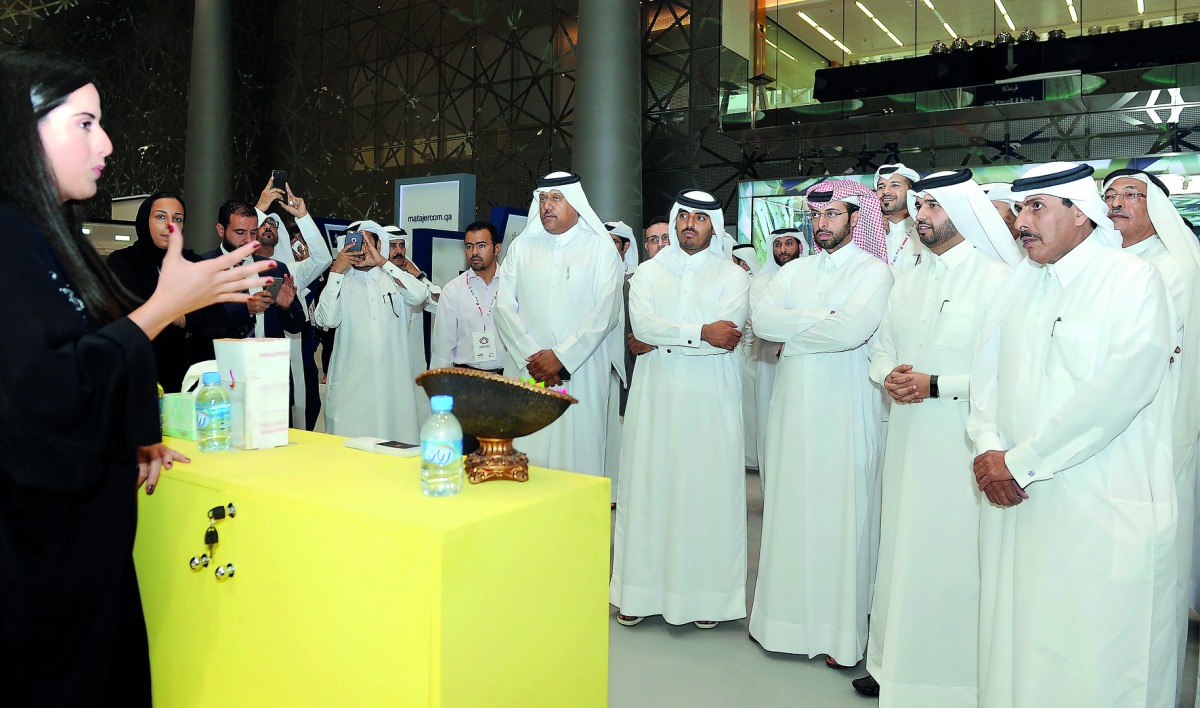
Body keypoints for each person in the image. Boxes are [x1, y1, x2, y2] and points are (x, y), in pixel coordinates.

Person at [0, 50, 272, 705]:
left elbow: (84, 350)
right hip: (39, 572)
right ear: (22, 130)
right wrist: (162, 308)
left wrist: (133, 437)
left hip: (86, 562)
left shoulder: (46, 234)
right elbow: (37, 399)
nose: (108, 143)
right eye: (86, 123)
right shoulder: (7, 238)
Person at [968, 161, 1177, 707]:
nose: (1021, 222)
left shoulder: (1132, 280)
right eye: (1019, 209)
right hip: (1015, 496)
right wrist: (987, 444)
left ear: (1081, 215)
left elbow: (1119, 391)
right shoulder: (1019, 285)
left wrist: (1022, 461)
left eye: (1036, 207)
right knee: (1020, 634)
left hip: (1094, 498)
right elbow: (985, 376)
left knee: (1088, 645)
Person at [854, 169, 1021, 701]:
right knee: (901, 548)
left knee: (951, 556)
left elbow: (1011, 377)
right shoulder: (908, 278)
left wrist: (935, 385)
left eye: (933, 206)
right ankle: (891, 664)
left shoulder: (998, 279)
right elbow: (881, 349)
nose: (921, 215)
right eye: (920, 205)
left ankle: (951, 678)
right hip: (907, 439)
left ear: (964, 212)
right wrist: (891, 378)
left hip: (963, 445)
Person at [748, 179, 893, 669]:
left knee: (842, 513)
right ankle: (781, 624)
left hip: (847, 408)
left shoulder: (875, 271)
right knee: (790, 508)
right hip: (792, 409)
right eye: (817, 215)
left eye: (833, 214)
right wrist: (821, 319)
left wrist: (797, 331)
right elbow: (763, 322)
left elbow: (853, 331)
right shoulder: (795, 271)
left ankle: (840, 632)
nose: (823, 223)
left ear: (856, 217)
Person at [609, 190, 750, 629]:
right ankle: (637, 592)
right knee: (649, 489)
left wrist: (674, 337)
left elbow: (726, 337)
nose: (690, 223)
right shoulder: (648, 273)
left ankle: (705, 598)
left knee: (704, 494)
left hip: (711, 400)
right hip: (656, 398)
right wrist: (700, 332)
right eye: (684, 216)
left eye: (700, 218)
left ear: (715, 226)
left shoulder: (733, 277)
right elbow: (644, 327)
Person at [1102, 167, 1200, 697]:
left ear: (1156, 207)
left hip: (1156, 429)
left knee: (1150, 560)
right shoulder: (1103, 262)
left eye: (1131, 196)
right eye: (1109, 195)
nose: (1116, 203)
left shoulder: (1173, 268)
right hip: (1106, 428)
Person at [494, 172, 624, 479]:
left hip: (582, 371)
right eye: (542, 199)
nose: (546, 206)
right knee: (529, 453)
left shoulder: (600, 250)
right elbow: (502, 307)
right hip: (529, 370)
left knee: (577, 456)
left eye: (556, 198)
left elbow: (605, 313)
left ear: (576, 204)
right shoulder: (522, 247)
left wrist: (561, 358)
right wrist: (533, 357)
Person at [313, 221, 430, 442]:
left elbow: (419, 295)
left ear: (379, 246)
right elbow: (326, 319)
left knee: (396, 457)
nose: (363, 249)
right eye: (356, 242)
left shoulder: (394, 279)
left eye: (369, 243)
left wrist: (383, 262)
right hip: (352, 391)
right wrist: (336, 272)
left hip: (394, 391)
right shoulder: (340, 282)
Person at [106, 192, 225, 392]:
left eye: (177, 219)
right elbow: (130, 317)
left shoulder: (195, 264)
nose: (170, 225)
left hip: (190, 382)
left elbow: (217, 323)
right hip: (140, 377)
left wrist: (182, 319)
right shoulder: (122, 262)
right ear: (145, 219)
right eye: (161, 216)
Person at [254, 180, 332, 429]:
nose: (268, 227)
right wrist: (259, 207)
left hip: (293, 361)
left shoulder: (291, 271)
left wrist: (304, 217)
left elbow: (322, 258)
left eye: (273, 224)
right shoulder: (237, 270)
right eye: (262, 223)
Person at [747, 227, 811, 482]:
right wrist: (799, 324)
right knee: (769, 426)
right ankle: (769, 490)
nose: (783, 250)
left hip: (804, 362)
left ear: (800, 247)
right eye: (777, 245)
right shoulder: (761, 283)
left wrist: (789, 330)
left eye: (788, 244)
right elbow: (759, 319)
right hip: (769, 363)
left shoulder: (810, 279)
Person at [201, 199, 303, 340]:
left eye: (253, 232)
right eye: (240, 232)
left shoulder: (275, 269)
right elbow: (199, 325)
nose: (249, 240)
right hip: (221, 360)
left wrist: (287, 307)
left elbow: (296, 327)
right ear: (221, 230)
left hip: (269, 359)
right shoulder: (201, 267)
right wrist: (245, 309)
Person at [429, 221, 504, 373]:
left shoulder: (512, 285)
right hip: (466, 379)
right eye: (469, 246)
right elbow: (443, 349)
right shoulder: (453, 290)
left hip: (509, 380)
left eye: (481, 245)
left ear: (497, 249)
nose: (474, 252)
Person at [874, 163, 922, 272]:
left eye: (895, 185)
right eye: (881, 187)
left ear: (911, 192)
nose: (886, 191)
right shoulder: (864, 232)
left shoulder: (925, 229)